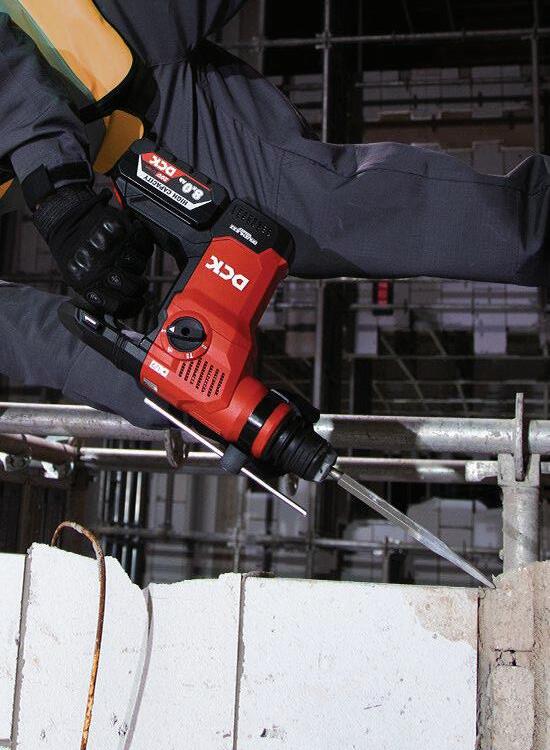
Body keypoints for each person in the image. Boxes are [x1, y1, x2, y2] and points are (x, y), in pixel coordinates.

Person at [1, 0, 549, 428]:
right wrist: (153, 388)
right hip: (112, 101)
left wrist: (57, 192)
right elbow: (21, 334)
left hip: (82, 30)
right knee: (280, 228)